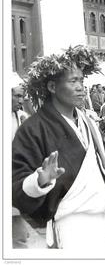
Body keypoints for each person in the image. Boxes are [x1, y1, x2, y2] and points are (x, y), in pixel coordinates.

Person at [12, 46, 105, 249]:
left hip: (98, 224)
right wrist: (40, 180)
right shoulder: (33, 128)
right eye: (73, 81)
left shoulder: (87, 122)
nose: (81, 87)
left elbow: (104, 171)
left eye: (81, 80)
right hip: (67, 226)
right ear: (52, 86)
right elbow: (16, 186)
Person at [11, 73, 30, 248]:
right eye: (17, 95)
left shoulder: (21, 116)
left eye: (22, 96)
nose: (21, 100)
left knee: (19, 237)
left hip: (15, 182)